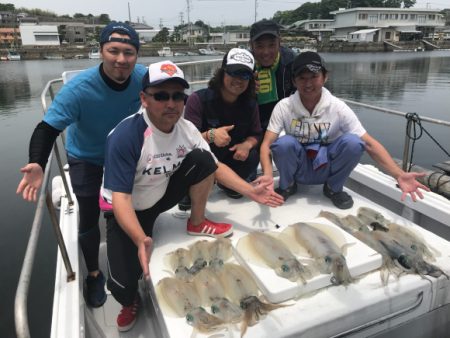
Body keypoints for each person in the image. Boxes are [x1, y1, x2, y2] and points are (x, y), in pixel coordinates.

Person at [100, 60, 283, 332]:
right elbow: (122, 199)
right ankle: (129, 301)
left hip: (160, 195)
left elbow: (215, 166)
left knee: (202, 159)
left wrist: (250, 191)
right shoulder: (126, 136)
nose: (171, 103)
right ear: (144, 99)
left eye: (178, 96)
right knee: (124, 283)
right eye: (161, 96)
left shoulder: (186, 129)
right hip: (126, 210)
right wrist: (139, 238)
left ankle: (197, 222)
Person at [16, 22, 147, 308]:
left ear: (137, 55)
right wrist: (37, 162)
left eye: (129, 52)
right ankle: (93, 272)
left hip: (125, 154)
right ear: (100, 51)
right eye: (113, 51)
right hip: (86, 155)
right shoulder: (78, 89)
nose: (121, 59)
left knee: (128, 206)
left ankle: (133, 256)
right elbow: (47, 129)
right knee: (88, 215)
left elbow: (168, 101)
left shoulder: (144, 78)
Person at [260, 51, 430, 209]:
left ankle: (333, 188)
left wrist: (398, 174)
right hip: (299, 166)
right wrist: (268, 174)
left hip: (325, 165)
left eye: (314, 76)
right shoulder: (284, 106)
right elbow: (267, 144)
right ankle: (288, 185)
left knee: (354, 142)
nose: (308, 83)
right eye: (302, 78)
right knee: (284, 143)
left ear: (325, 77)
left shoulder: (338, 107)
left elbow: (369, 144)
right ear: (294, 81)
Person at [182, 47, 262, 203]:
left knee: (252, 155)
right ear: (222, 72)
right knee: (195, 155)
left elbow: (256, 133)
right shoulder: (197, 99)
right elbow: (186, 140)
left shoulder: (251, 104)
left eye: (245, 75)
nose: (239, 80)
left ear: (251, 79)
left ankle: (229, 185)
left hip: (230, 156)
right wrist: (210, 135)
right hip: (204, 159)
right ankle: (190, 187)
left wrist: (246, 144)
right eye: (233, 72)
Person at [249, 19, 296, 132]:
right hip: (253, 124)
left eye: (271, 45)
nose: (266, 52)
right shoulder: (245, 65)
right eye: (260, 46)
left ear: (279, 42)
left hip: (286, 122)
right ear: (251, 45)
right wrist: (246, 90)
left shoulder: (291, 61)